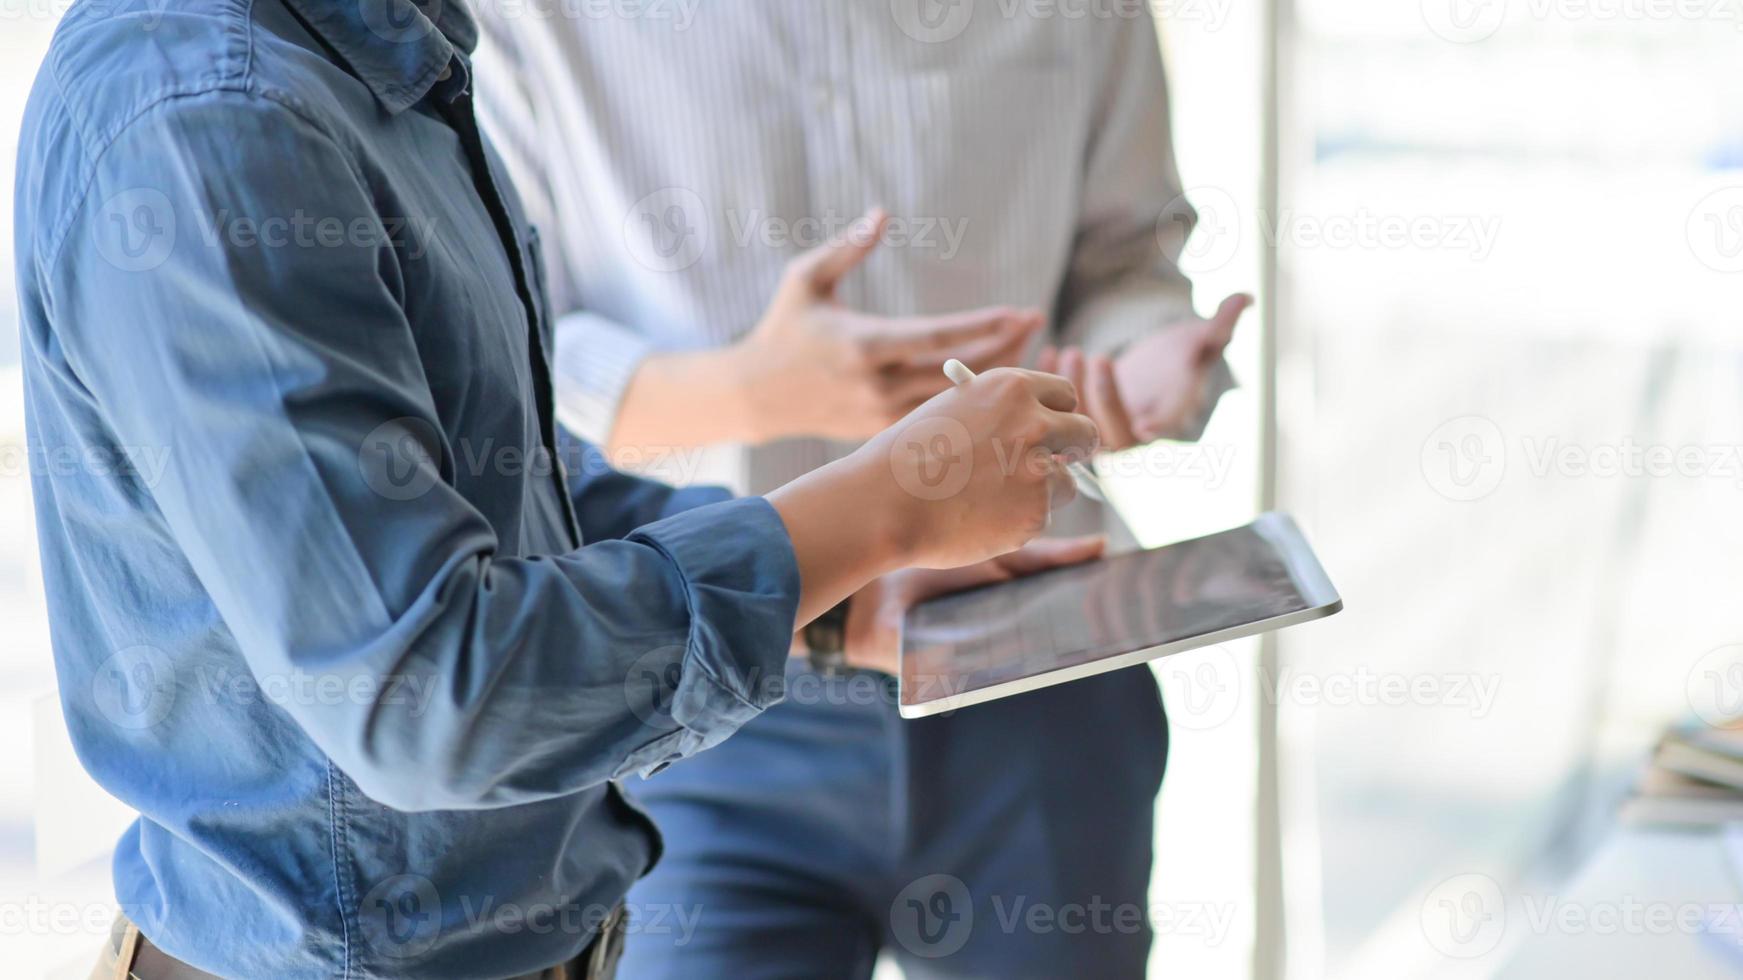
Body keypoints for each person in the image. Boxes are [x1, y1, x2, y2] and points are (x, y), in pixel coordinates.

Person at [14, 1, 1105, 977]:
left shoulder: (384, 58)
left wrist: (845, 594)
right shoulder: (211, 115)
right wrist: (881, 505)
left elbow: (517, 496)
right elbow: (425, 693)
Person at [475, 4, 1251, 976]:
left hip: (1040, 668)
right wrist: (749, 391)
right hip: (705, 695)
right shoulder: (523, 19)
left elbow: (1125, 260)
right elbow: (498, 355)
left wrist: (1134, 364)